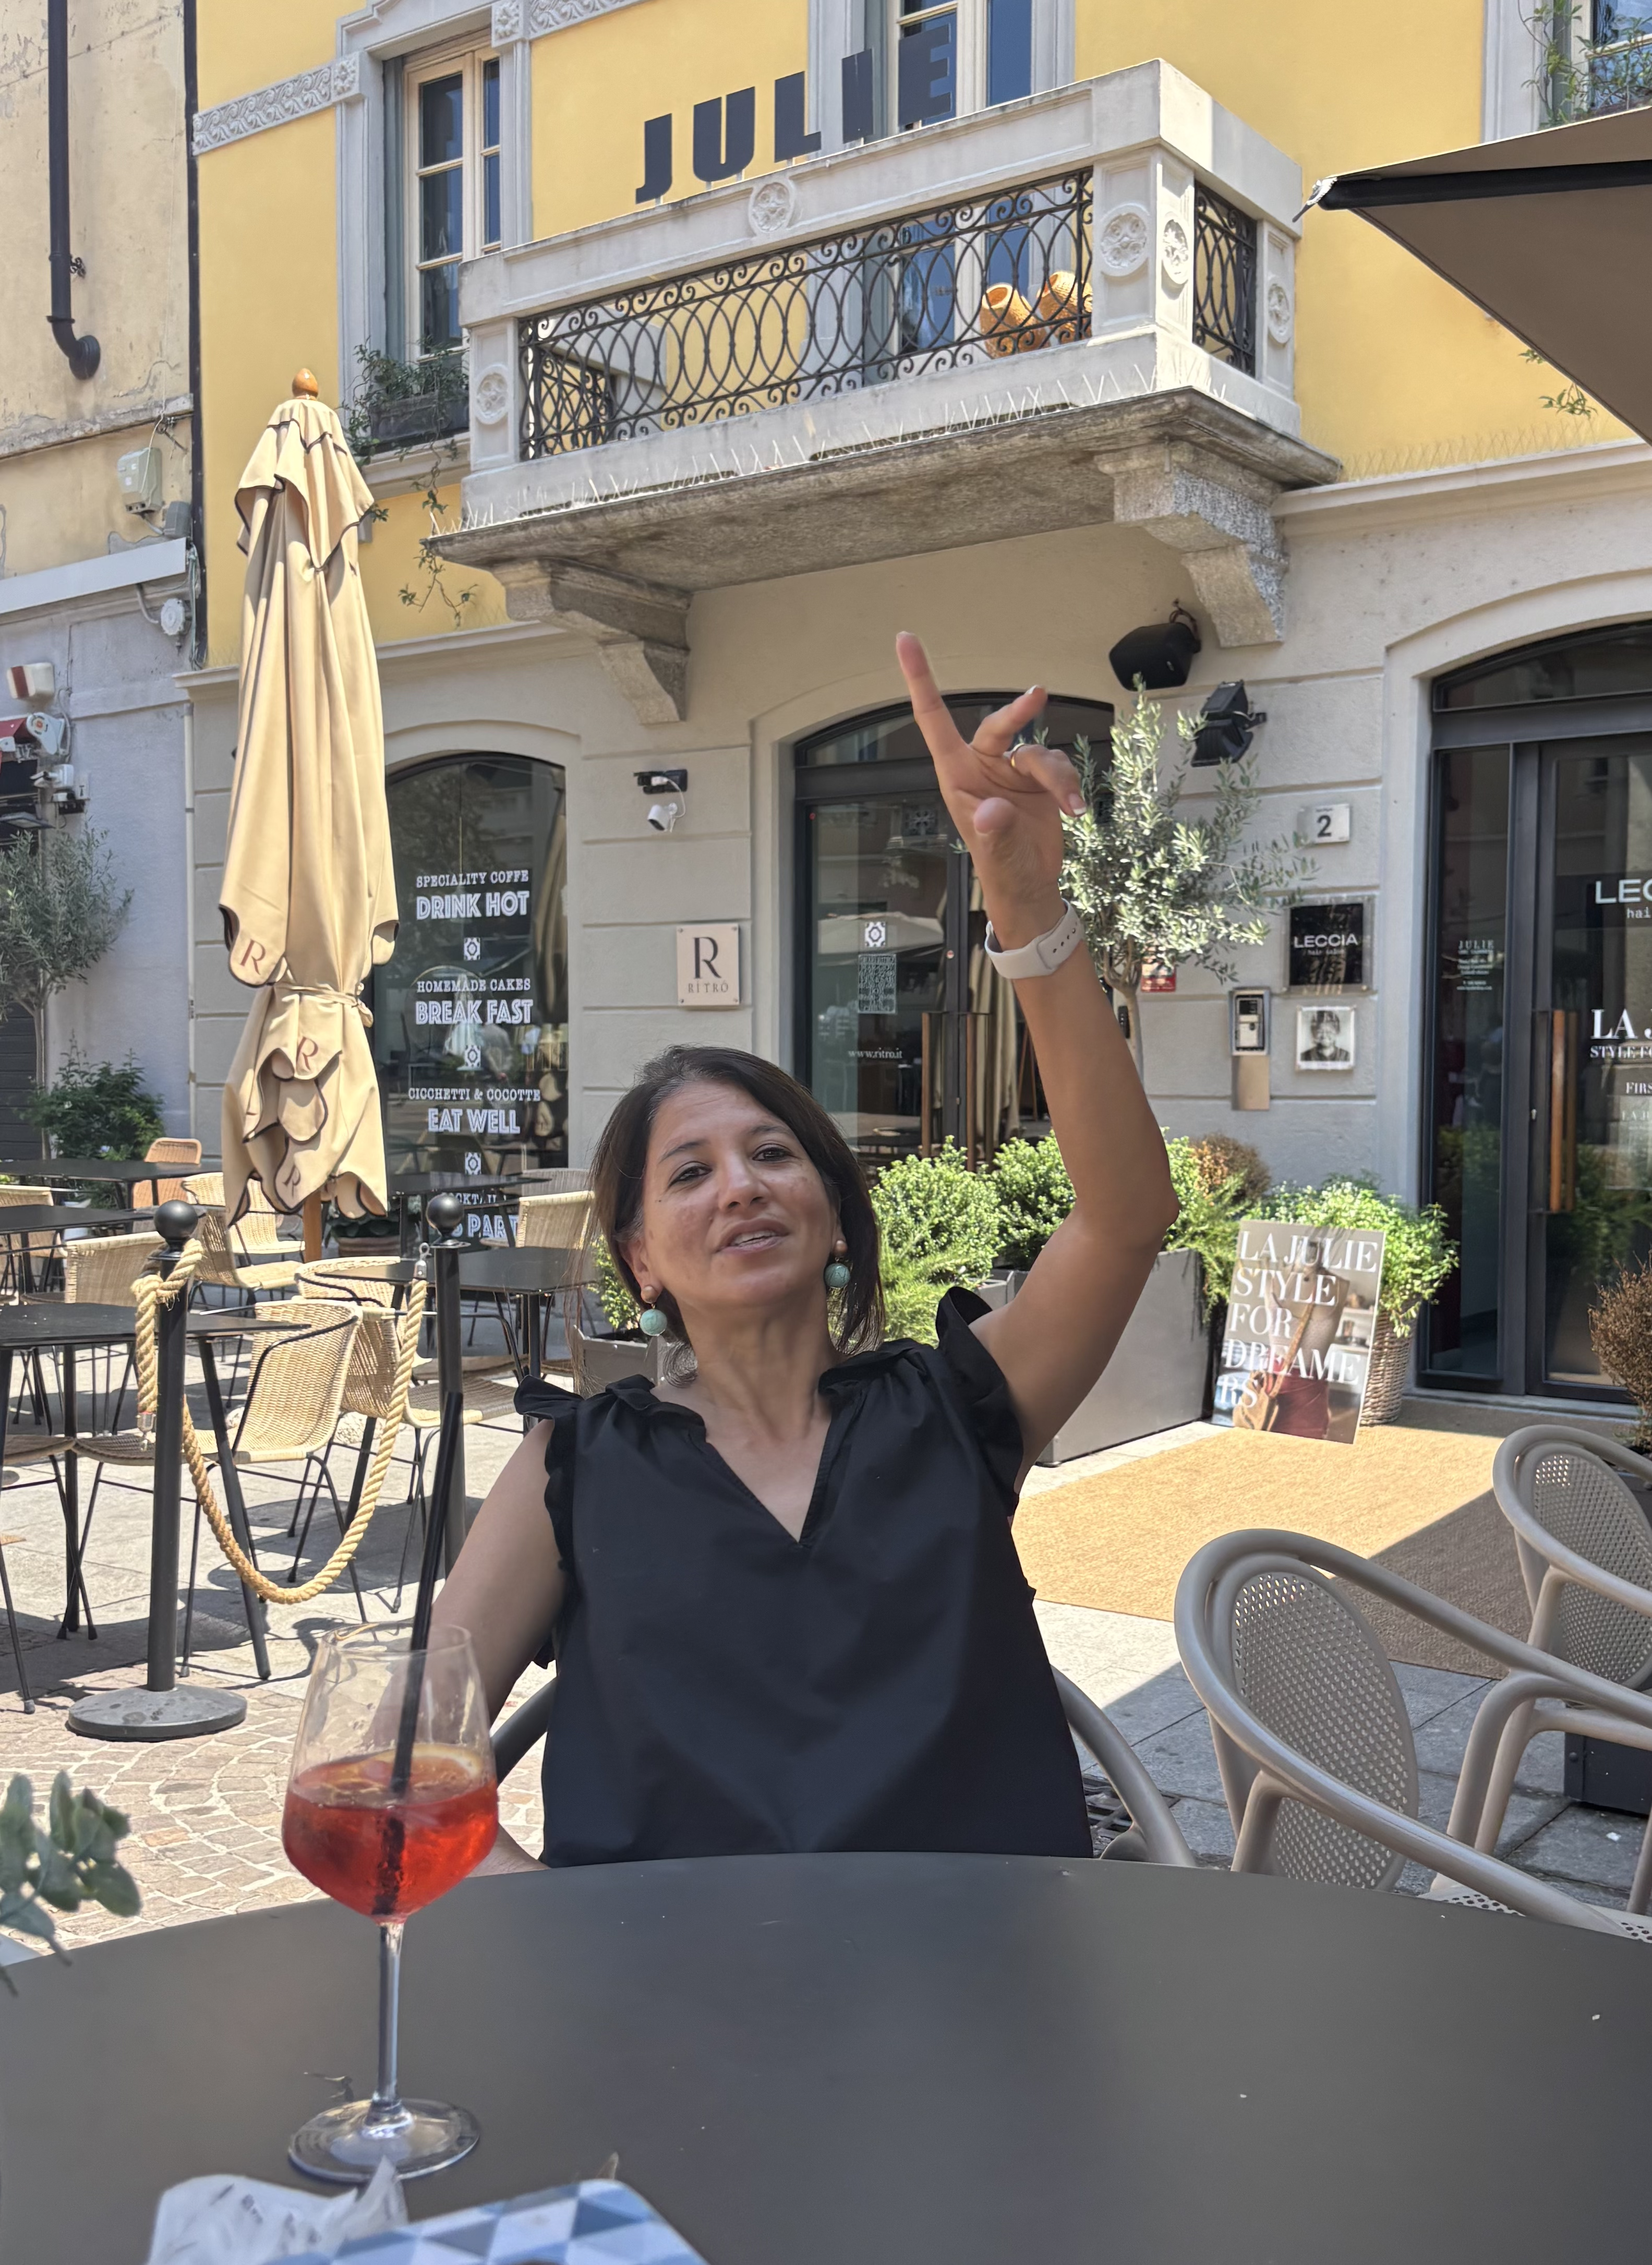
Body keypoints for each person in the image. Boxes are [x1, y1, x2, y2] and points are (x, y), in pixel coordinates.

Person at [434, 633, 1178, 1869]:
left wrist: (1025, 909)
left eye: (774, 1155)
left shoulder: (958, 1407)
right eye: (689, 1171)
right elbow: (412, 1745)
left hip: (979, 1993)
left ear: (834, 1211)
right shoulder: (573, 1469)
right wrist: (544, 1932)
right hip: (674, 2024)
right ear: (640, 1261)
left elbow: (1124, 1217)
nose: (739, 1185)